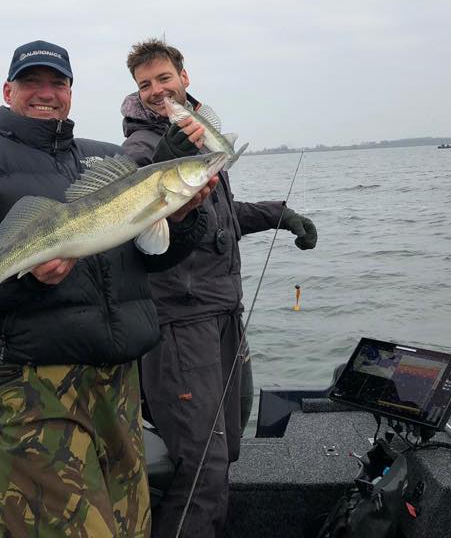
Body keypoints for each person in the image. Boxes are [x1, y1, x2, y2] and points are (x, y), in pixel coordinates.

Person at [0, 40, 216, 538]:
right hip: (27, 386)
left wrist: (183, 215)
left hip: (114, 384)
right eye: (32, 83)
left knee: (131, 526)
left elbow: (151, 258)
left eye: (58, 83)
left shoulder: (106, 158)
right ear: (8, 91)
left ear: (71, 92)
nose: (46, 93)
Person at [119, 39, 317, 537]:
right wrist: (163, 159)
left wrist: (277, 214)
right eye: (144, 85)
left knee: (226, 450)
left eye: (163, 78)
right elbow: (133, 193)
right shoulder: (144, 145)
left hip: (223, 315)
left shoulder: (201, 138)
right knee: (201, 465)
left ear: (185, 78)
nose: (155, 91)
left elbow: (218, 219)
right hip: (179, 325)